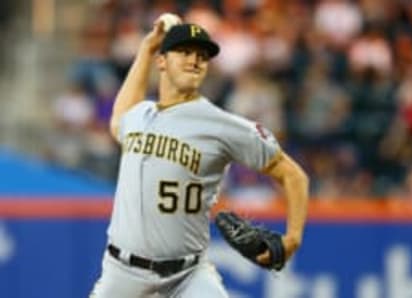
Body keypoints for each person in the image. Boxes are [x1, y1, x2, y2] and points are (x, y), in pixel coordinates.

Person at [89, 14, 309, 298]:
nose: (194, 60)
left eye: (202, 56)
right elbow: (119, 118)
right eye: (184, 51)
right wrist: (147, 47)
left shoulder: (220, 124)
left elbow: (294, 175)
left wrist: (293, 237)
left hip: (188, 276)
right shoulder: (140, 115)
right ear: (162, 61)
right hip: (123, 274)